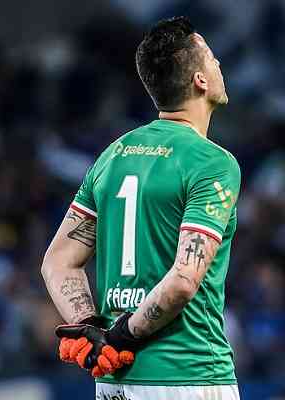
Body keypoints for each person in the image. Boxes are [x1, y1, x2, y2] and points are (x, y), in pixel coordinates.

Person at [40, 16, 241, 400]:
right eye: (213, 58)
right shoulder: (212, 162)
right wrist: (122, 334)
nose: (219, 65)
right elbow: (183, 279)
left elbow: (58, 261)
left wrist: (89, 329)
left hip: (116, 382)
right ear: (200, 80)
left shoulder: (113, 155)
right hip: (190, 374)